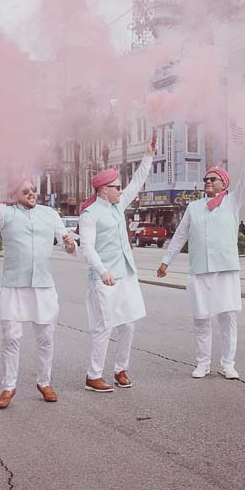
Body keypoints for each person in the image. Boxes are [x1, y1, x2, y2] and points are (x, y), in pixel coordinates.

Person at [157, 138, 245, 379]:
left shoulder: (233, 201)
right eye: (206, 179)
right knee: (201, 318)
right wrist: (165, 261)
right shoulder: (194, 208)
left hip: (226, 270)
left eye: (212, 179)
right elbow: (180, 235)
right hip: (200, 270)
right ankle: (202, 363)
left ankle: (228, 363)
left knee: (227, 317)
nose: (208, 182)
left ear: (223, 183)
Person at [0, 179, 77, 408]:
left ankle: (44, 382)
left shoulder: (50, 214)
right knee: (11, 336)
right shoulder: (5, 214)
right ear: (14, 196)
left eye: (33, 189)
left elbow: (67, 245)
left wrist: (70, 244)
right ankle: (9, 386)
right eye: (25, 191)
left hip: (43, 285)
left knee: (46, 337)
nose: (32, 193)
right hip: (13, 285)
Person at [77, 137, 156, 392]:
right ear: (103, 190)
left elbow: (136, 183)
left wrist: (148, 157)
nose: (121, 191)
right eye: (116, 187)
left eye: (120, 187)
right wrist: (102, 272)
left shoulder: (118, 205)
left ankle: (121, 369)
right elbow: (86, 248)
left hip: (125, 274)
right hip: (105, 278)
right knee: (103, 327)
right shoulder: (90, 214)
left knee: (128, 324)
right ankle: (93, 375)